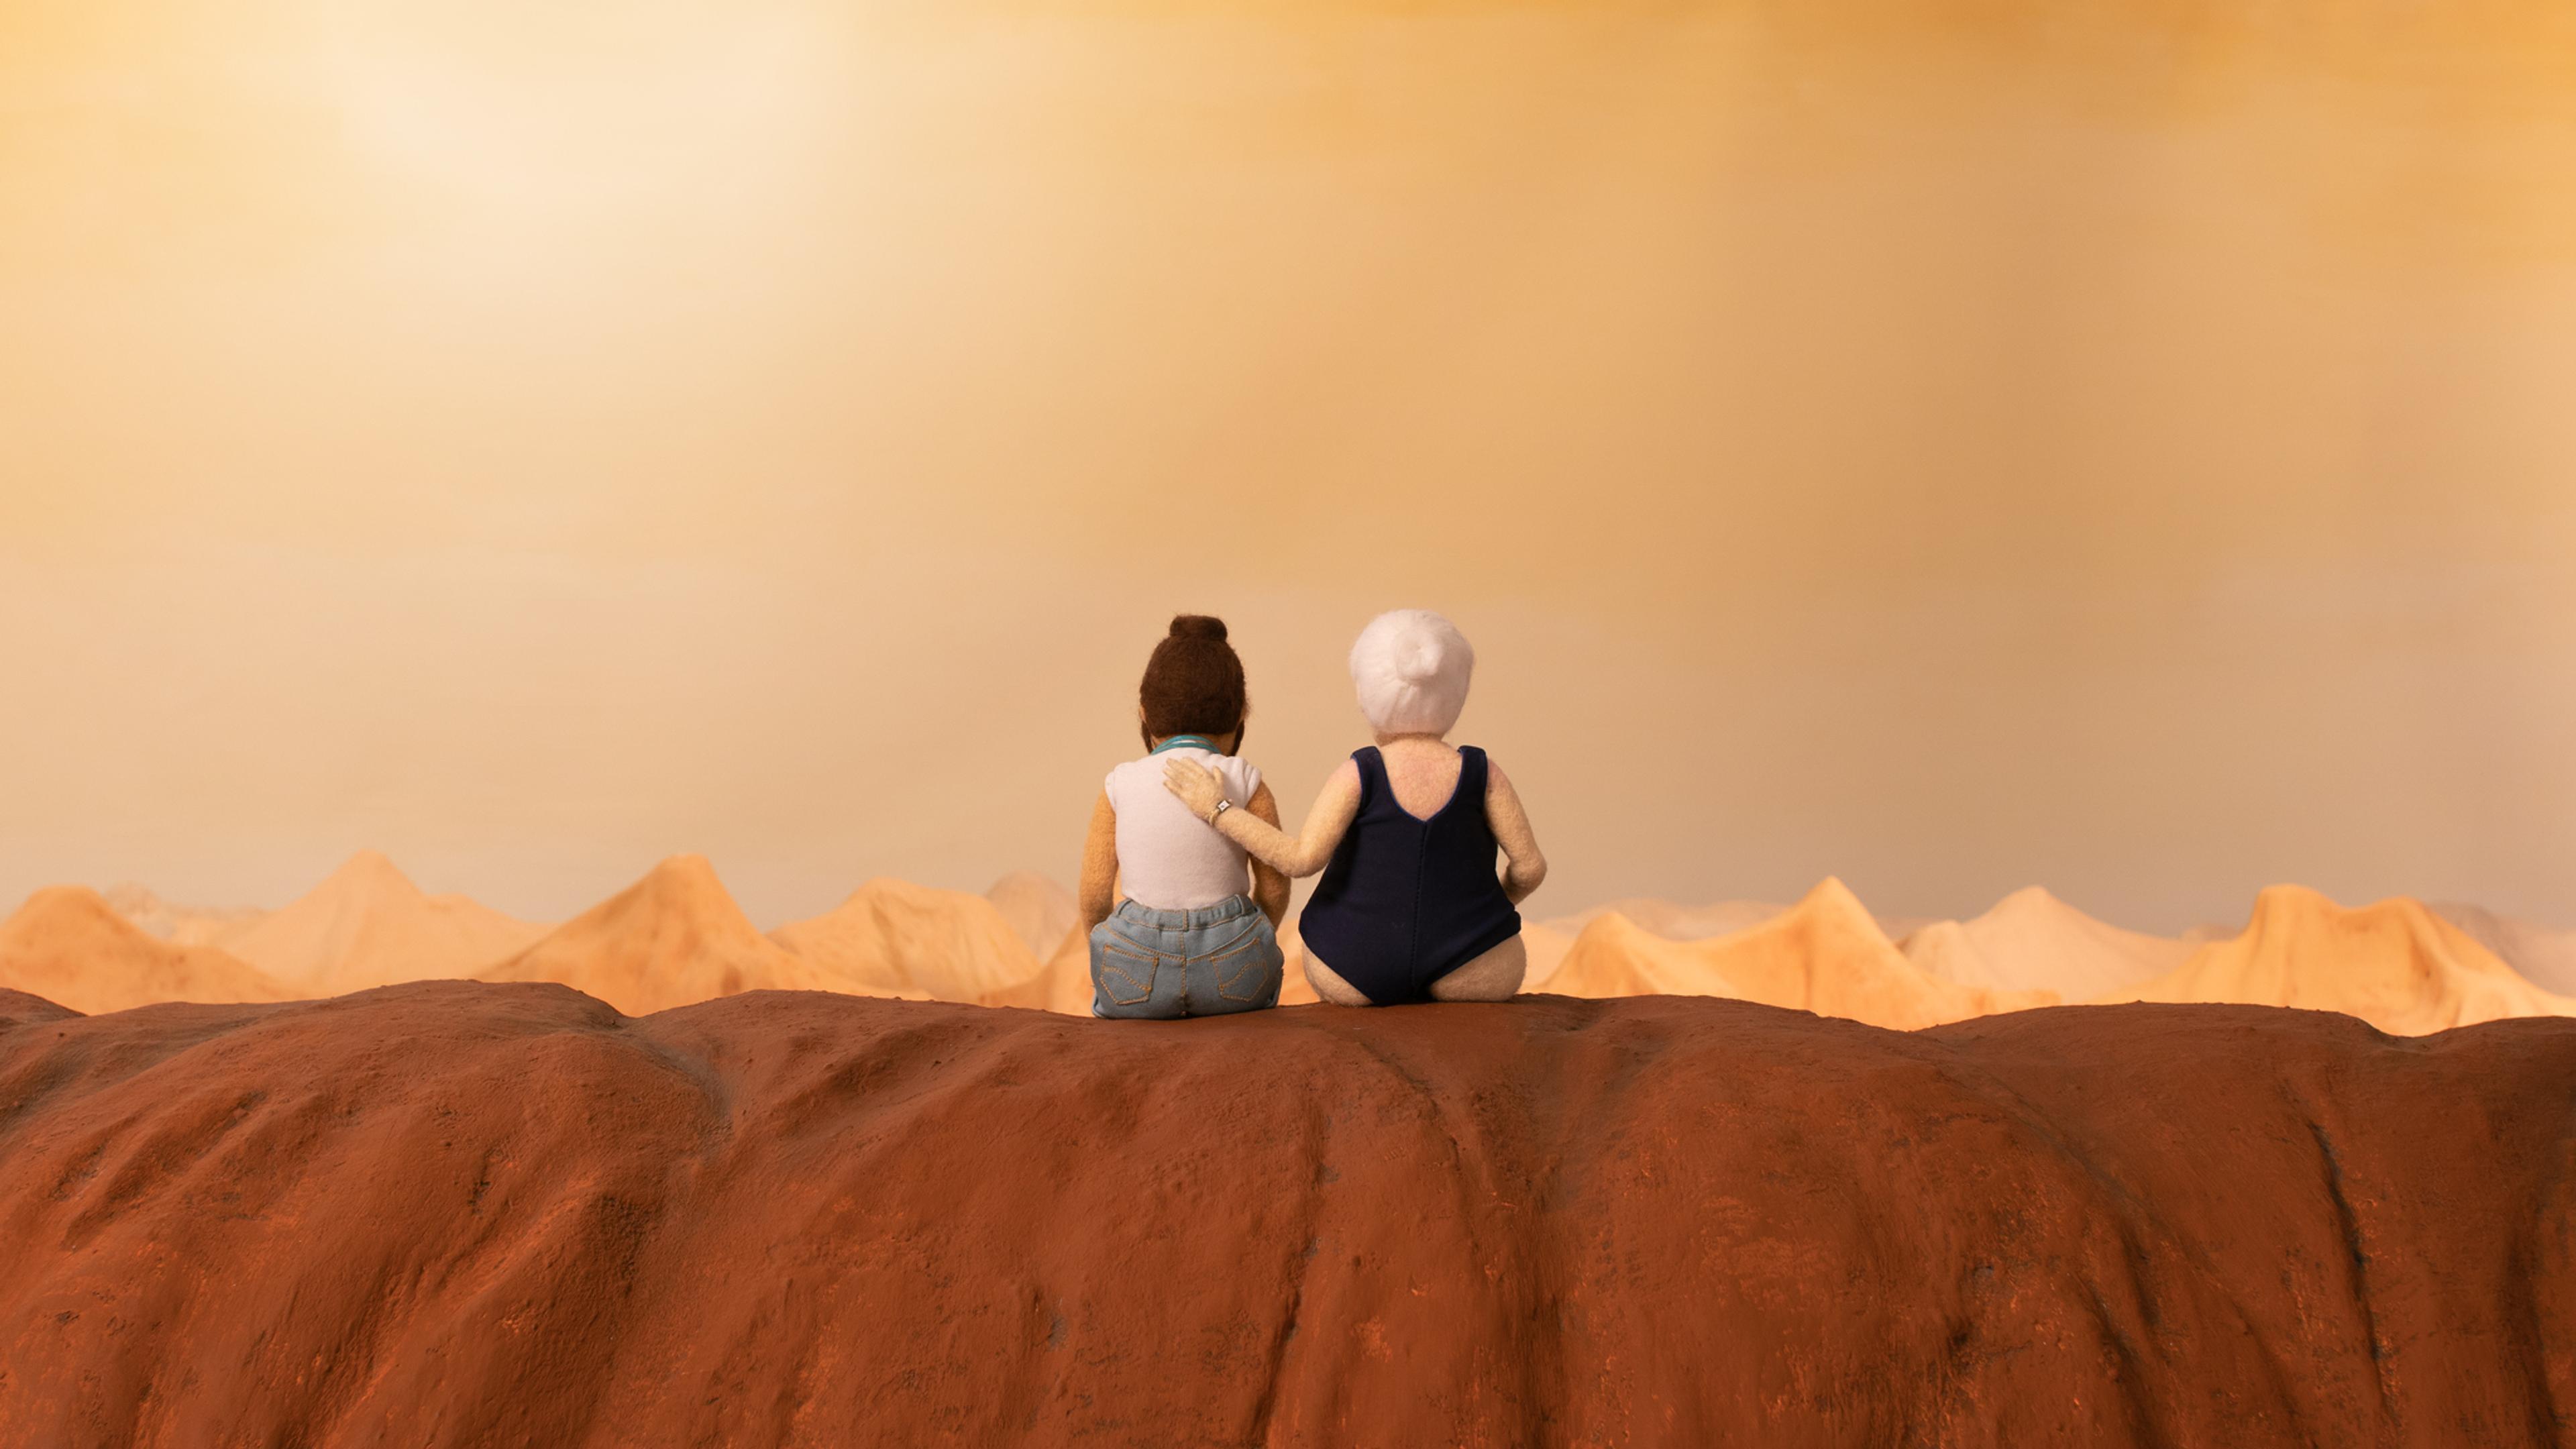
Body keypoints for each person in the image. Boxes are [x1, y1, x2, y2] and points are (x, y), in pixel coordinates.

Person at [1163, 608, 1546, 1006]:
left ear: (1365, 694)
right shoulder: (1484, 773)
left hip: (1353, 964)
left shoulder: (1359, 772)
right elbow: (1530, 869)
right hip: (1476, 964)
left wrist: (1219, 809)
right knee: (1494, 957)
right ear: (1460, 692)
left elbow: (1301, 860)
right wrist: (1488, 908)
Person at [1076, 614, 1290, 1018]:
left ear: (1144, 711)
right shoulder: (1246, 781)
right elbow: (1275, 888)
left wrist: (1111, 945)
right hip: (1234, 970)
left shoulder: (1118, 784)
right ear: (1242, 712)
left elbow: (1094, 895)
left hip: (1136, 972)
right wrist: (1243, 938)